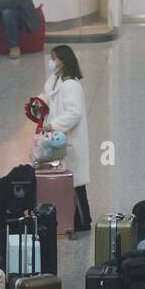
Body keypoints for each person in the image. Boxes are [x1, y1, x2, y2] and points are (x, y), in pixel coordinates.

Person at [41, 45, 93, 232]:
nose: (51, 62)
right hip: (58, 139)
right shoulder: (54, 81)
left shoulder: (71, 85)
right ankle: (73, 217)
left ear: (64, 60)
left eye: (54, 58)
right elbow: (48, 99)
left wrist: (53, 125)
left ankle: (83, 220)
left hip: (70, 140)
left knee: (76, 183)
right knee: (67, 181)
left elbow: (74, 113)